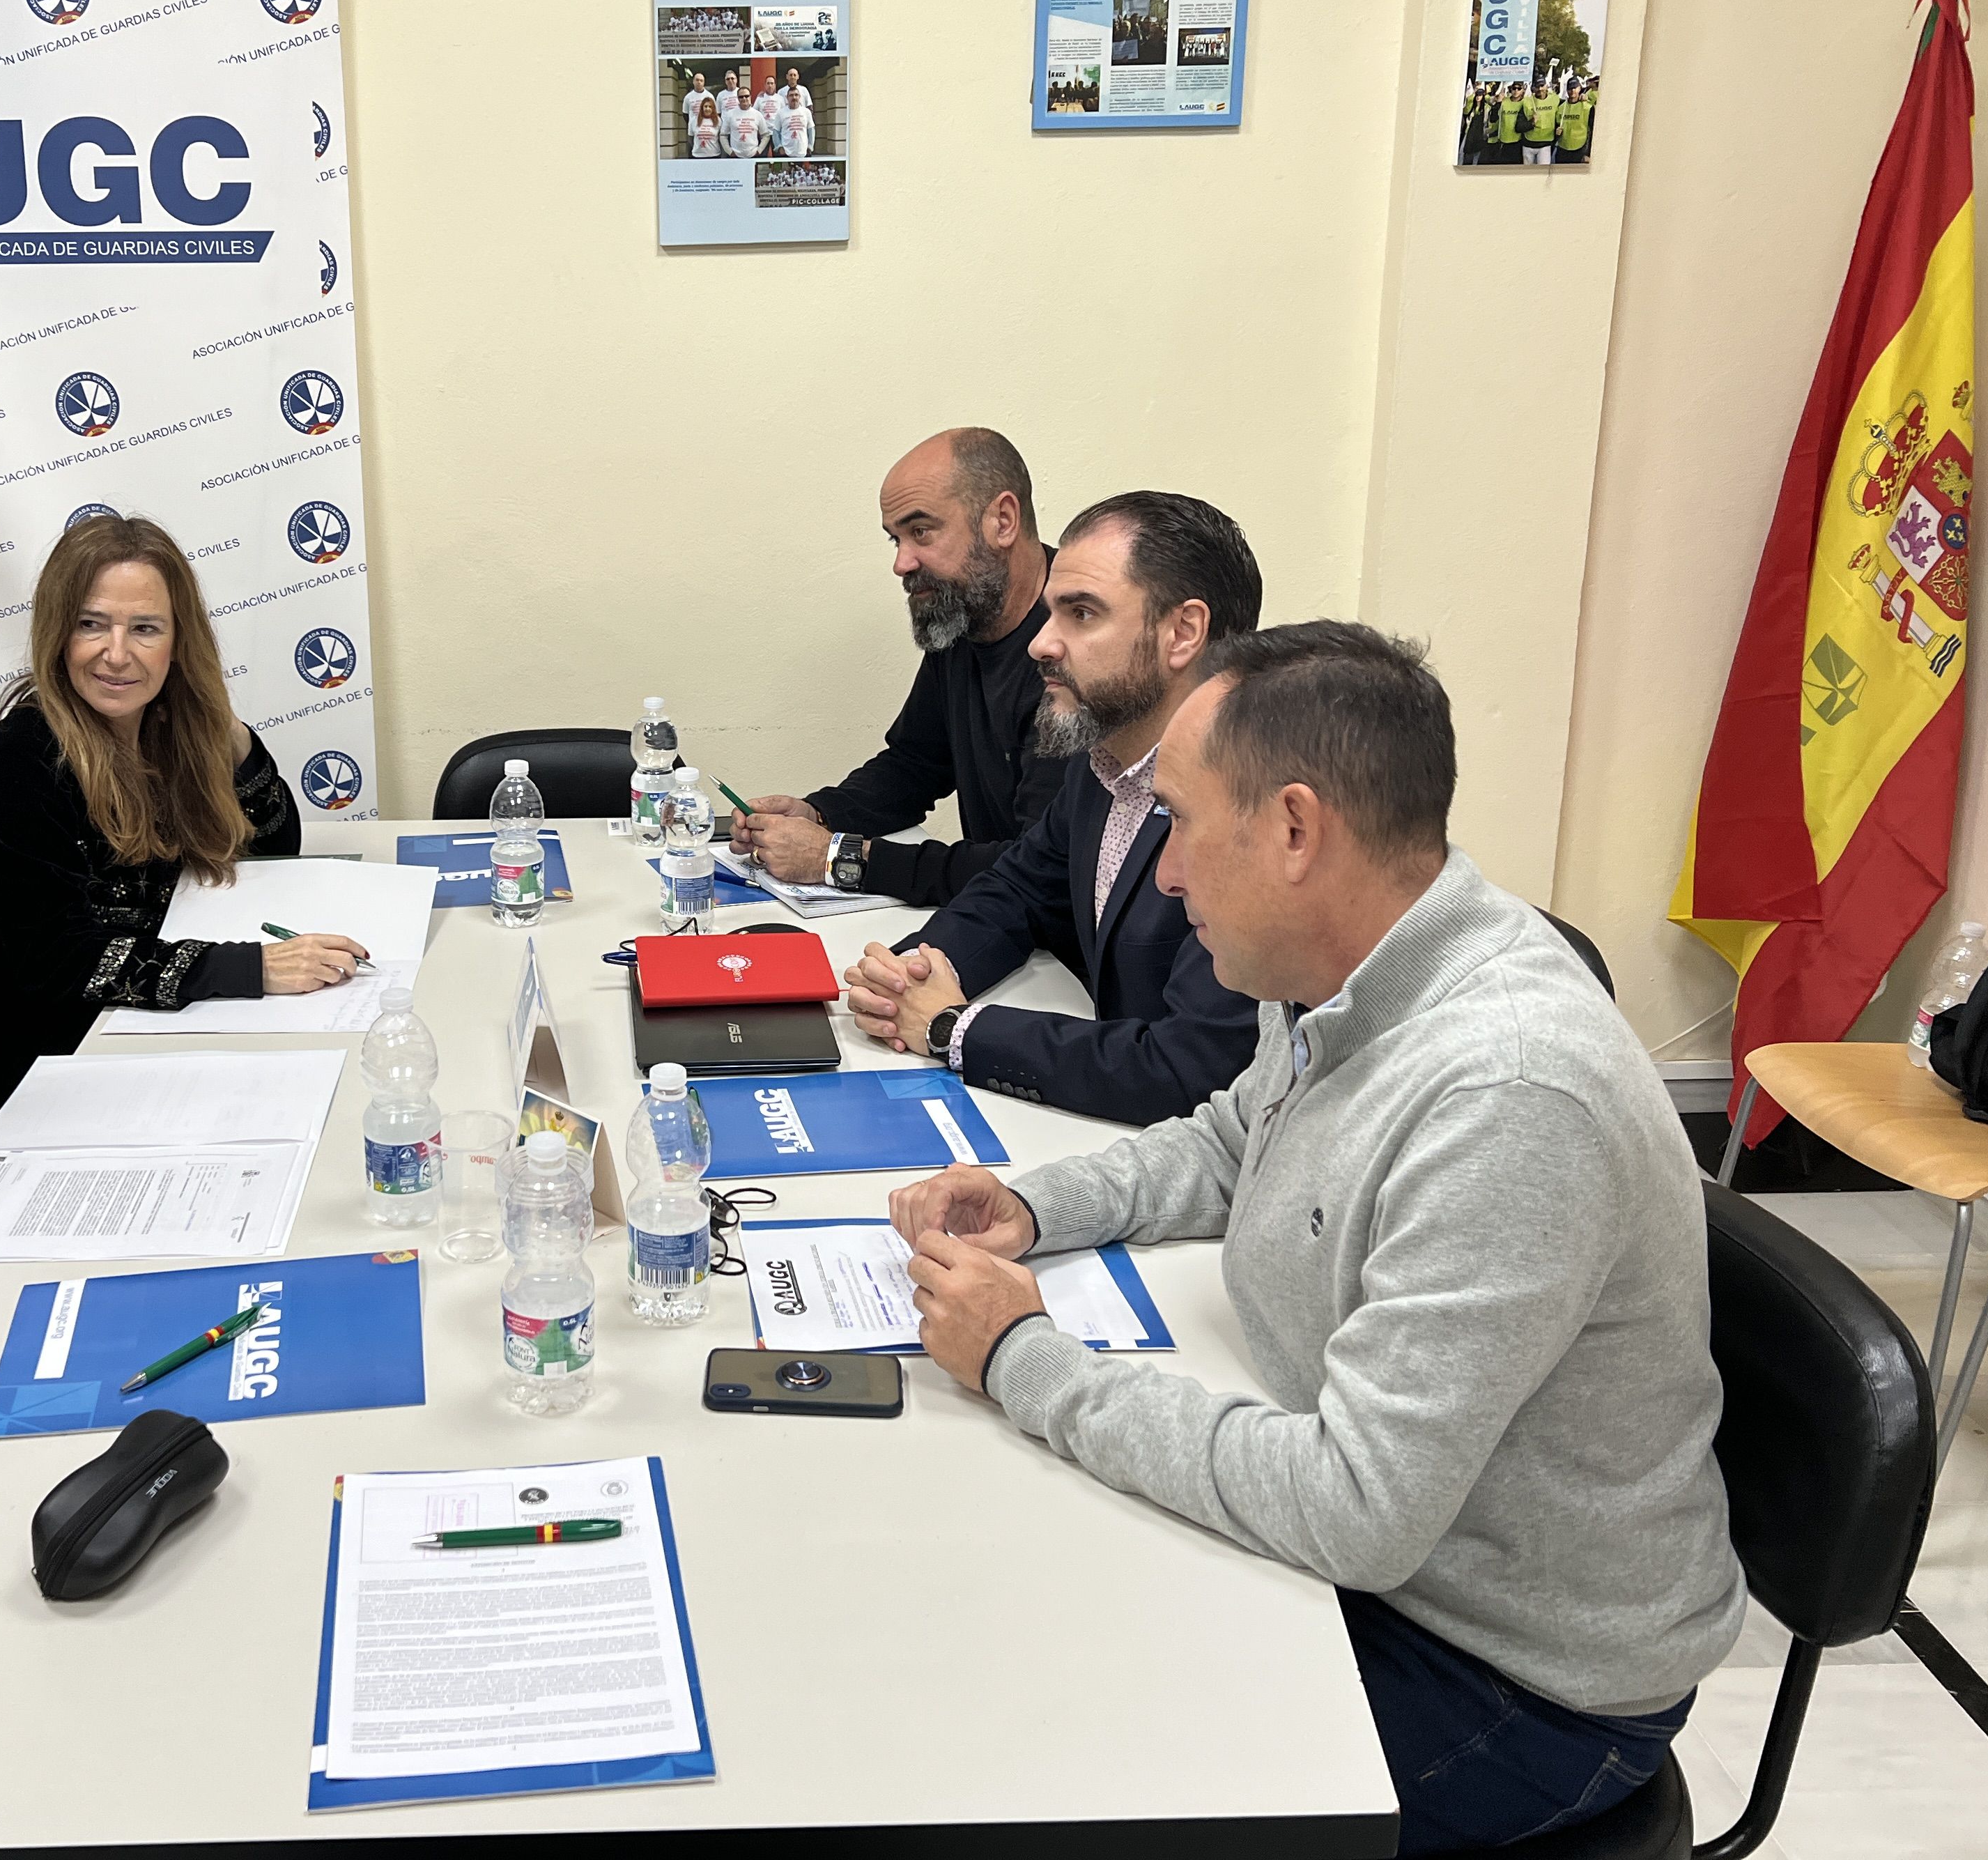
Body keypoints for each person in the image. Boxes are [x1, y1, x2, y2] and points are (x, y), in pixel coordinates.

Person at [890, 621, 1743, 1855]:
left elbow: (1354, 1503)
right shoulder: (1352, 969)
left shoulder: (1509, 1093)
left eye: (1178, 821)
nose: (1166, 876)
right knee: (1006, 1604)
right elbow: (1233, 1140)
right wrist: (1035, 1206)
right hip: (1401, 1568)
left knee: (1028, 1768)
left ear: (1293, 828)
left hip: (1513, 1678)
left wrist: (1025, 1356)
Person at [0, 513, 351, 1123]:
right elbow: (61, 965)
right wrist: (253, 968)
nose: (116, 655)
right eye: (92, 625)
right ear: (58, 634)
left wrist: (226, 733)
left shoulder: (159, 727)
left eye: (145, 629)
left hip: (109, 1031)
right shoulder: (25, 756)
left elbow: (271, 846)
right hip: (3, 1075)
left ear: (179, 643)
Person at [842, 491, 1263, 1125]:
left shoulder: (1255, 804)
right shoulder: (1105, 759)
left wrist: (955, 1029)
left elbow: (1188, 1067)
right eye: (1049, 616)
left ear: (1183, 633)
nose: (1041, 644)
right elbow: (1018, 890)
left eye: (1082, 614)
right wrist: (914, 974)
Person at [734, 429, 1068, 907]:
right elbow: (916, 764)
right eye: (896, 538)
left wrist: (840, 858)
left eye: (921, 532)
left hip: (1070, 958)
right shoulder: (961, 616)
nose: (901, 563)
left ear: (1003, 519)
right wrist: (820, 814)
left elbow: (1039, 868)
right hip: (1003, 924)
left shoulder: (1078, 652)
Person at [1520, 76, 1559, 164]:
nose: (1540, 89)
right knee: (1528, 174)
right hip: (1529, 143)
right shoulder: (1527, 102)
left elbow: (1569, 104)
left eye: (1542, 86)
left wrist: (1582, 98)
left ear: (1546, 86)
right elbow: (1519, 127)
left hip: (1546, 143)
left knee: (1543, 174)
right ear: (1533, 88)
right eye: (1537, 86)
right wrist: (1532, 123)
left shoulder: (1555, 99)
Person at [1556, 77, 1594, 164]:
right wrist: (1556, 132)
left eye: (1575, 88)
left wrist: (1589, 153)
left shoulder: (1588, 107)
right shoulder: (1561, 107)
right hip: (1563, 149)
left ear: (1579, 88)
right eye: (1570, 89)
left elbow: (1593, 131)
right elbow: (1556, 125)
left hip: (1580, 149)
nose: (1572, 91)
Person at [682, 69, 709, 157]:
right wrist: (693, 124)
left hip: (707, 130)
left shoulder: (709, 96)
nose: (699, 82)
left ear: (704, 83)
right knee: (693, 154)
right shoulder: (688, 97)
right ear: (693, 82)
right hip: (693, 131)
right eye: (697, 80)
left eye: (701, 80)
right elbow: (685, 115)